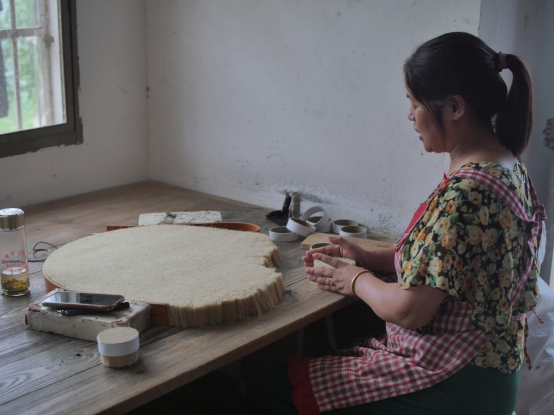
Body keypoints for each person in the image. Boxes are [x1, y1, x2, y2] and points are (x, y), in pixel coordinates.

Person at [269, 32, 546, 415]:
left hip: (458, 381)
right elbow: (449, 265)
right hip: (490, 373)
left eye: (416, 104)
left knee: (283, 390)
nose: (411, 116)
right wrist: (370, 257)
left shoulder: (468, 192)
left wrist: (354, 278)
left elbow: (410, 310)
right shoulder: (507, 166)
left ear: (455, 107)